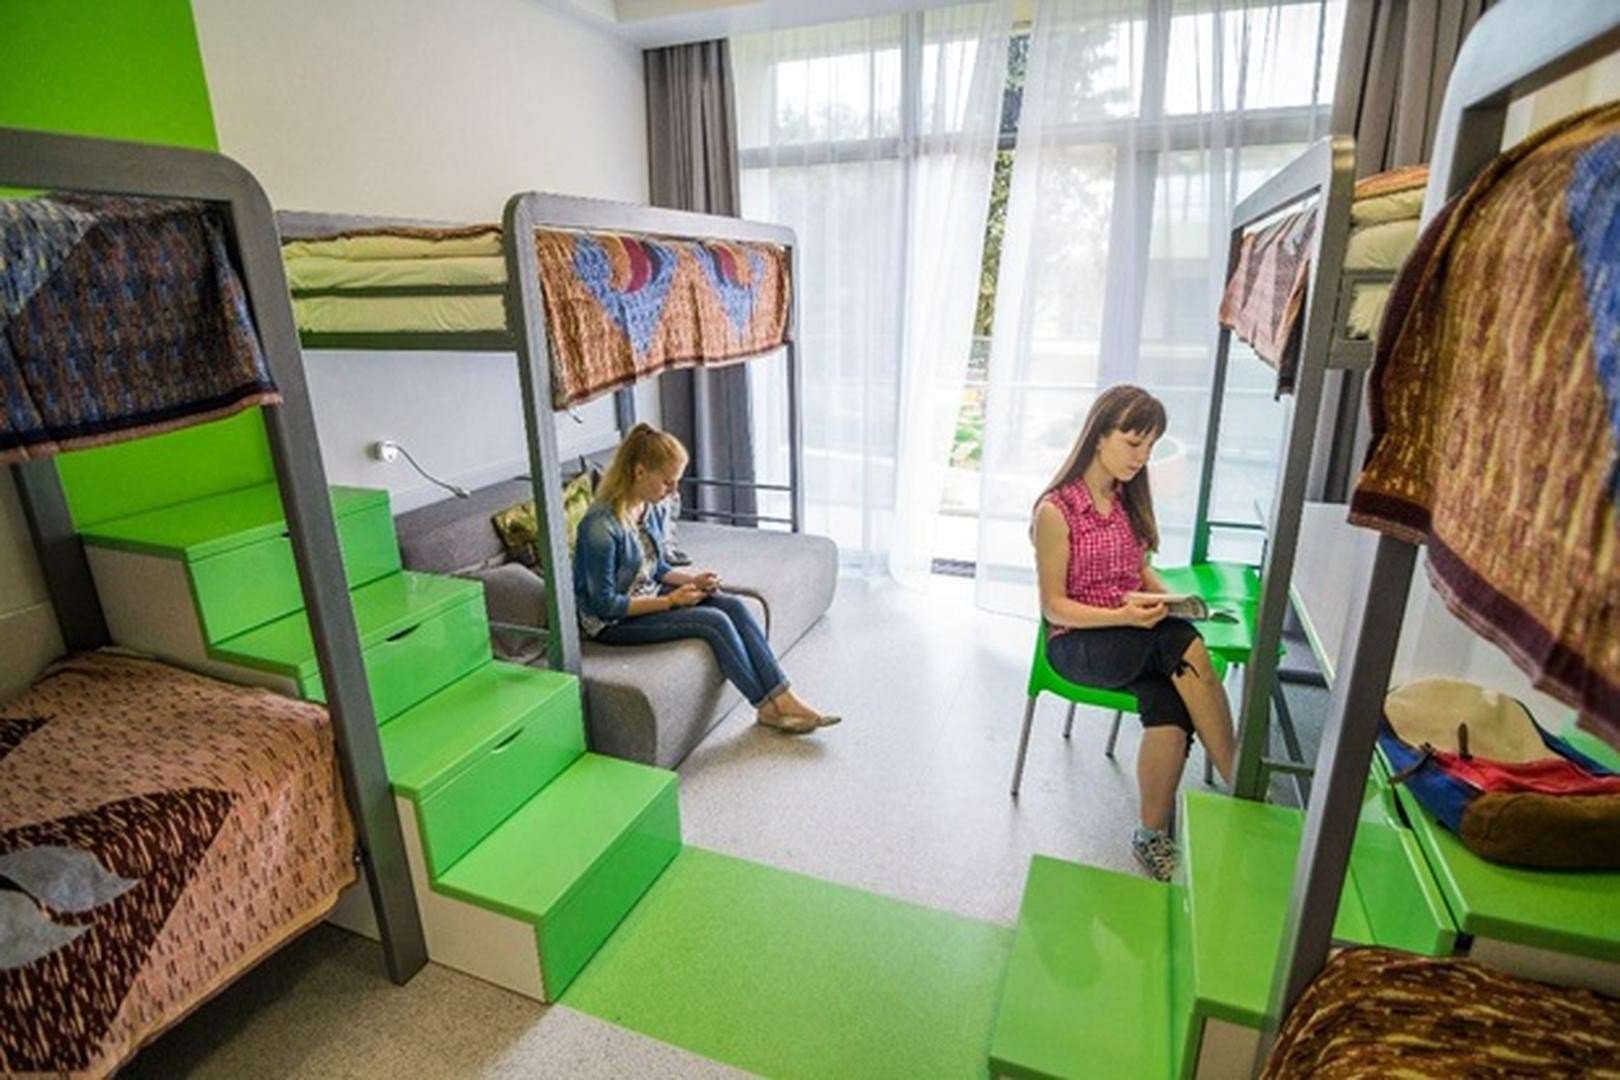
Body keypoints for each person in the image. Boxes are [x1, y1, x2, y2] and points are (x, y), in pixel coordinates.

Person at [1030, 385, 1236, 881]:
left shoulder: (1126, 501)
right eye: (1133, 442)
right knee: (1180, 644)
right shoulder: (1056, 510)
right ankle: (1244, 786)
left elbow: (1140, 572)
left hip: (1131, 637)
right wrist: (1125, 616)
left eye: (1150, 446)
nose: (1142, 457)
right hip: (1077, 643)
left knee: (1169, 702)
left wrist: (1175, 601)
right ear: (1099, 436)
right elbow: (1053, 606)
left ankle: (1150, 836)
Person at [573, 423, 839, 735]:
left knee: (732, 606)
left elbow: (655, 568)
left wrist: (693, 580)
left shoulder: (648, 507)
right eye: (668, 482)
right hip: (612, 623)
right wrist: (671, 601)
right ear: (640, 472)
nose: (673, 491)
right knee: (714, 622)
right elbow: (603, 605)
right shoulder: (600, 527)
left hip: (647, 595)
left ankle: (784, 696)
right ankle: (765, 707)